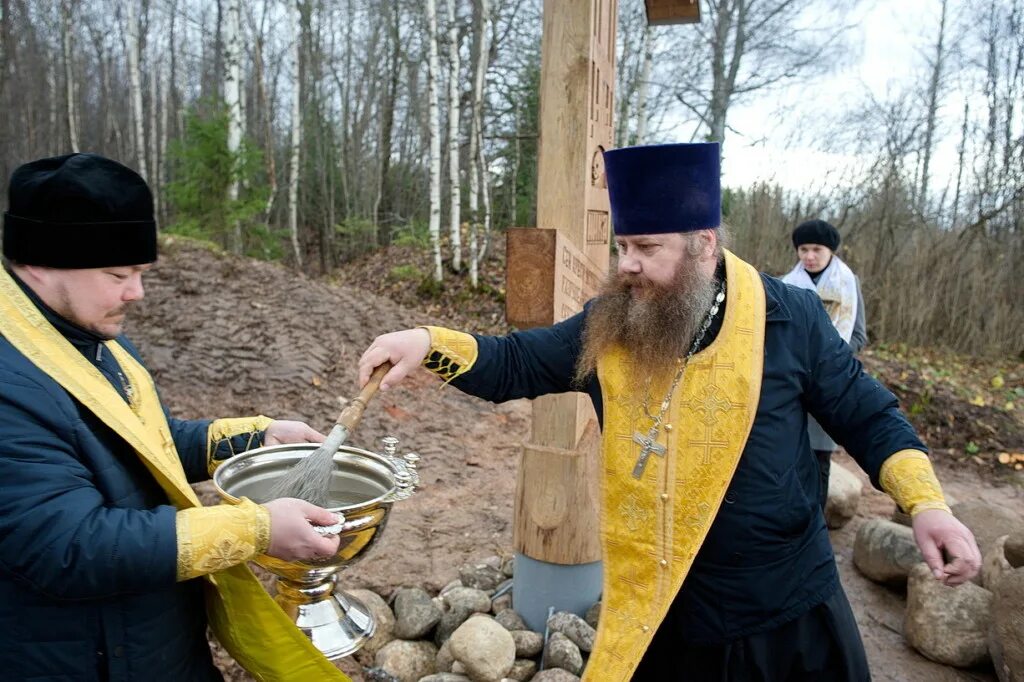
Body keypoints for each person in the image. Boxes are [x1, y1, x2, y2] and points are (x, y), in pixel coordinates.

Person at [357, 143, 982, 681]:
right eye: (622, 244)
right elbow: (516, 362)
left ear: (704, 243)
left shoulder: (791, 316)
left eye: (646, 247)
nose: (626, 263)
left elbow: (868, 415)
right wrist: (428, 343)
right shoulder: (614, 320)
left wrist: (927, 504)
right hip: (663, 612)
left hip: (782, 611)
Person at [0, 153, 350, 681]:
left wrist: (256, 438)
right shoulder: (11, 380)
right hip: (84, 659)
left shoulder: (86, 338)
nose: (136, 292)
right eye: (117, 273)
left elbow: (140, 446)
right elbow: (69, 545)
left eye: (140, 271)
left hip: (153, 643)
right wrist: (256, 529)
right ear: (40, 262)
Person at [782, 219, 867, 510]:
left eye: (816, 249)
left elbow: (858, 335)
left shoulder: (848, 284)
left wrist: (829, 357)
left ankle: (815, 521)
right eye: (803, 249)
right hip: (789, 381)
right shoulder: (785, 285)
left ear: (830, 251)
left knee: (819, 458)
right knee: (785, 453)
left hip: (829, 381)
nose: (809, 256)